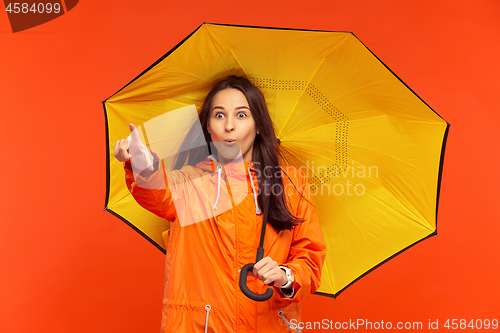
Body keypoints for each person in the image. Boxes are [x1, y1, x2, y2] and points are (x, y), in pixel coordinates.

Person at [114, 75, 326, 332]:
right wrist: (144, 164)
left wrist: (284, 275)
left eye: (241, 115)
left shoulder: (291, 183)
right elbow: (161, 192)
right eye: (219, 115)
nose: (229, 126)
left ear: (258, 125)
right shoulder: (192, 181)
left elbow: (310, 258)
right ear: (207, 126)